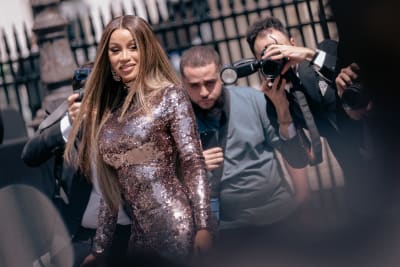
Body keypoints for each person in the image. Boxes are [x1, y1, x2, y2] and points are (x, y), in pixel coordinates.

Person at [63, 15, 214, 267]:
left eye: (133, 47)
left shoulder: (170, 96)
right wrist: (99, 249)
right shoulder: (108, 113)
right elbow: (110, 192)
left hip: (177, 225)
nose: (125, 57)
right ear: (107, 58)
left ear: (147, 49)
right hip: (139, 237)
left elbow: (193, 161)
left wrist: (204, 226)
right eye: (115, 50)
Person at [246, 16, 389, 231]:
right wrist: (282, 110)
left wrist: (309, 55)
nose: (275, 57)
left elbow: (362, 74)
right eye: (265, 54)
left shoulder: (325, 52)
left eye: (278, 49)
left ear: (292, 44)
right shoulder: (274, 100)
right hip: (357, 175)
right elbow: (297, 159)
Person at [179, 45, 312, 257]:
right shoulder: (179, 120)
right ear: (183, 84)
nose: (204, 92)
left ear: (222, 75)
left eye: (210, 83)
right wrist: (191, 164)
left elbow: (289, 151)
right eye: (194, 85)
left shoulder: (254, 100)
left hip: (279, 213)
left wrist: (303, 200)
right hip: (228, 228)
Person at [21, 63, 131, 267]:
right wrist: (70, 124)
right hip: (82, 237)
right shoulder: (66, 118)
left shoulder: (127, 118)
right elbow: (29, 155)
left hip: (130, 233)